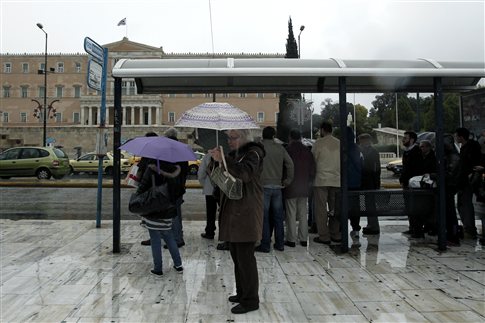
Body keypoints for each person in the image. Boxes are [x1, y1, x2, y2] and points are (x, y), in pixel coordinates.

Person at [209, 129, 265, 315]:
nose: (230, 141)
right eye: (228, 138)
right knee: (237, 257)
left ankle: (251, 300)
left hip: (247, 213)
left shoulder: (254, 154)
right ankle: (242, 293)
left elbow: (244, 174)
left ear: (243, 138)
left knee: (246, 259)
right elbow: (222, 174)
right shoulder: (237, 155)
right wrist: (217, 160)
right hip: (235, 213)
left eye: (233, 138)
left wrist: (225, 159)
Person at [136, 159, 183, 276]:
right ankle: (178, 265)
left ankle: (158, 268)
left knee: (155, 240)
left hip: (154, 209)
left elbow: (141, 187)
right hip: (168, 210)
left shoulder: (151, 169)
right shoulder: (175, 169)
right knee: (169, 237)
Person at [257, 126, 294, 252]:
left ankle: (265, 244)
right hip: (278, 187)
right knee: (278, 217)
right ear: (274, 135)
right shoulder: (280, 148)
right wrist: (288, 180)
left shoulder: (259, 148)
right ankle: (280, 244)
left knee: (264, 217)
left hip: (263, 186)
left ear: (263, 135)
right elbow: (290, 164)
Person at [284, 129, 315, 247]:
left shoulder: (287, 150)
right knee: (303, 213)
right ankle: (303, 239)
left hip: (291, 186)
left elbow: (284, 168)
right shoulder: (307, 151)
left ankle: (291, 239)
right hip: (304, 186)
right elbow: (312, 169)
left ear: (290, 137)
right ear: (300, 137)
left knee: (291, 213)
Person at [312, 121, 341, 245]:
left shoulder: (318, 143)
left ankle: (324, 236)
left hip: (321, 180)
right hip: (336, 180)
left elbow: (313, 160)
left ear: (322, 130)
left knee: (321, 209)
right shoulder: (339, 143)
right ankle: (335, 233)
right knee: (335, 208)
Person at [163, 127, 189, 248]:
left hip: (170, 185)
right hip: (180, 185)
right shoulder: (182, 148)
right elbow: (185, 169)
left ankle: (177, 239)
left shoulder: (167, 149)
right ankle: (179, 235)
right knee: (177, 212)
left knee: (172, 214)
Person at [455, 127, 481, 239]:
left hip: (468, 180)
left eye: (456, 136)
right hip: (464, 180)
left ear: (461, 137)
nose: (455, 138)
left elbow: (469, 163)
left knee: (465, 204)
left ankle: (469, 229)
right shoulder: (465, 147)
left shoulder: (470, 147)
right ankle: (468, 227)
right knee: (462, 204)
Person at [358, 133, 382, 235]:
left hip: (369, 181)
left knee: (370, 204)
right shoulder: (368, 151)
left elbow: (376, 168)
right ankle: (371, 225)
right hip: (368, 181)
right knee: (369, 204)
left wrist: (376, 183)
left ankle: (373, 226)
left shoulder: (372, 152)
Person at [399, 131, 422, 236]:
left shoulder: (416, 151)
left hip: (413, 183)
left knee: (414, 207)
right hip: (406, 182)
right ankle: (412, 227)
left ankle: (417, 228)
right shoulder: (407, 151)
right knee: (409, 206)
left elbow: (413, 168)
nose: (403, 140)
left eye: (405, 138)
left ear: (412, 139)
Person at [443, 134, 461, 245]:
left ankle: (453, 236)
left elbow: (450, 173)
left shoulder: (453, 157)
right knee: (448, 213)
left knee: (451, 214)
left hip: (450, 187)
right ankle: (450, 235)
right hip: (448, 186)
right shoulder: (448, 155)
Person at [346, 127, 363, 239]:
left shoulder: (344, 148)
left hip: (346, 183)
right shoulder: (357, 148)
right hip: (357, 183)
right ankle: (355, 228)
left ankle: (341, 229)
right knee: (355, 207)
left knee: (344, 206)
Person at [198, 153, 218, 239]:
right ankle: (226, 235)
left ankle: (210, 232)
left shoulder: (208, 156)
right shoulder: (227, 154)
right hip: (224, 189)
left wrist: (204, 184)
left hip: (210, 189)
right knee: (225, 213)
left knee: (210, 212)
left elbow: (201, 173)